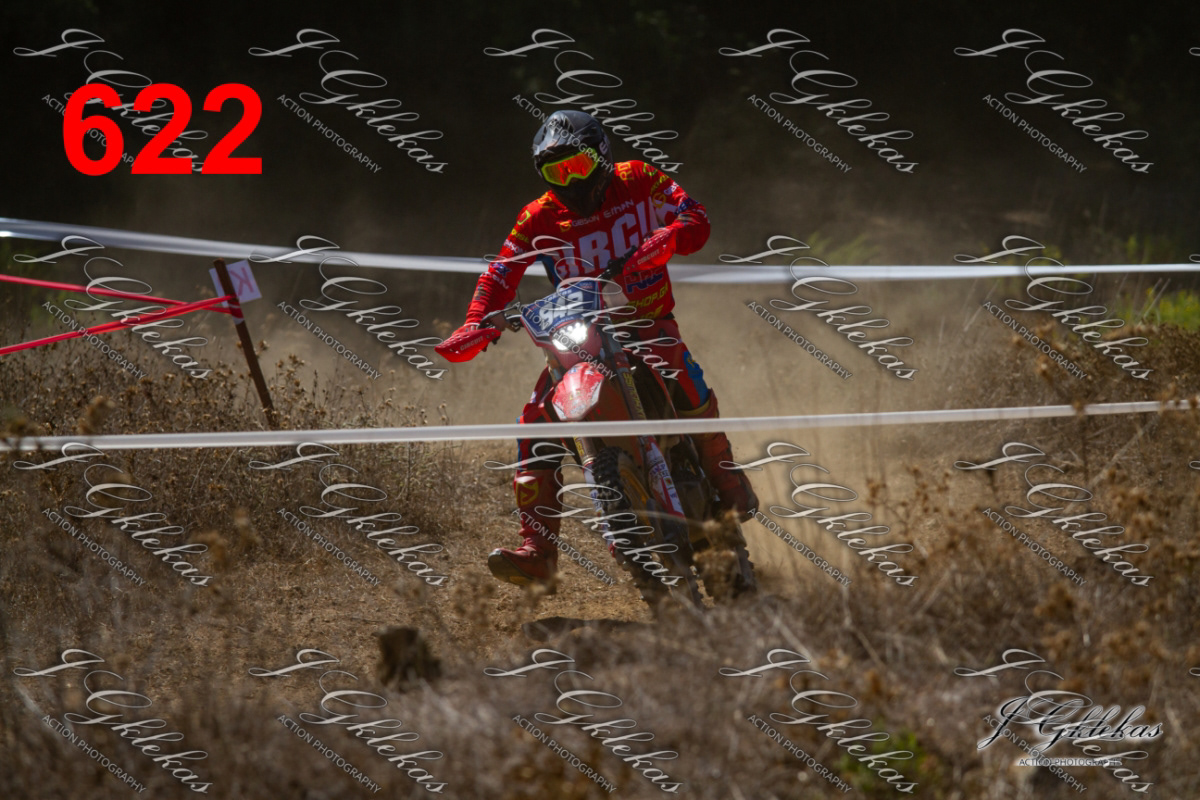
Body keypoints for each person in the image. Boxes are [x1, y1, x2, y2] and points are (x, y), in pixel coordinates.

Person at [436, 110, 757, 587]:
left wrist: (669, 237)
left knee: (686, 380)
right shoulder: (537, 216)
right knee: (534, 422)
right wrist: (475, 321)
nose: (569, 181)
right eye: (556, 172)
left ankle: (727, 479)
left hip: (646, 322)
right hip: (579, 336)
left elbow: (695, 217)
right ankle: (538, 550)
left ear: (601, 156)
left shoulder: (639, 179)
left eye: (577, 167)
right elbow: (500, 273)